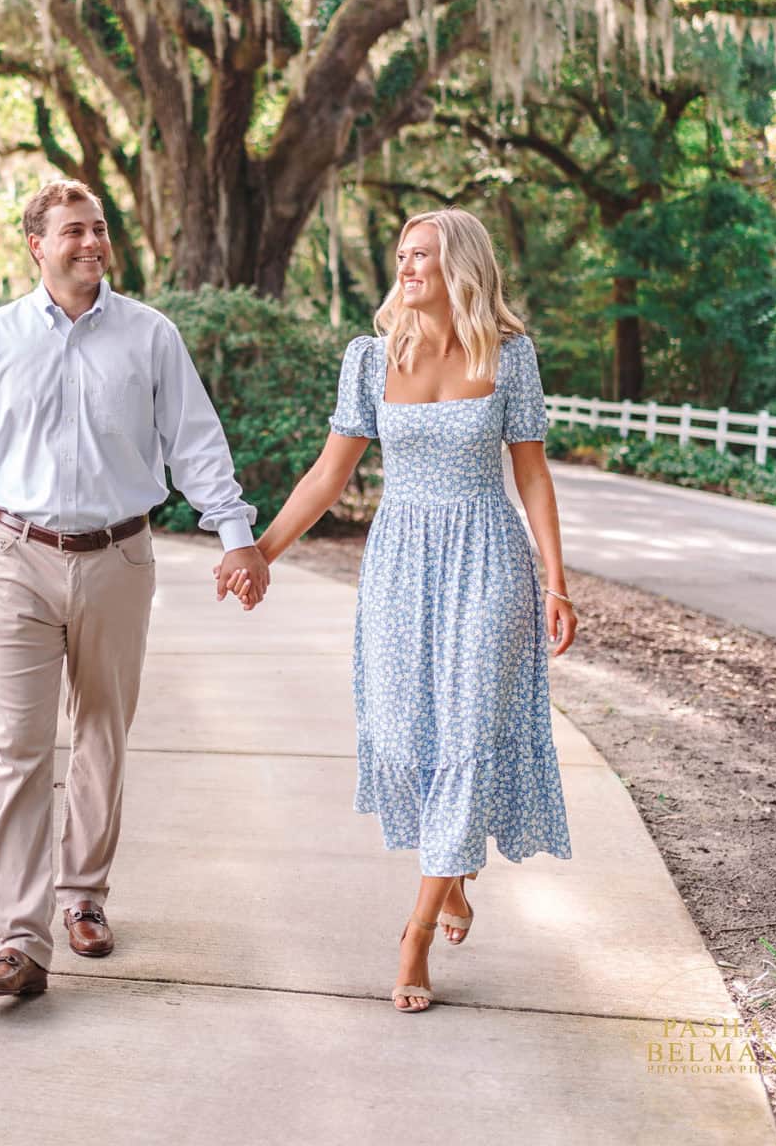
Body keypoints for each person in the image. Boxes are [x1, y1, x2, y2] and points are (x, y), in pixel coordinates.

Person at [218, 206, 576, 1012]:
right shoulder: (369, 360)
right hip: (399, 565)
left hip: (488, 560)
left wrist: (557, 582)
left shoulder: (510, 358)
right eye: (403, 255)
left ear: (463, 270)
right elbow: (325, 476)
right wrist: (261, 553)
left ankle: (414, 934)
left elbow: (533, 476)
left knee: (471, 738)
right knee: (403, 730)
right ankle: (448, 874)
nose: (407, 268)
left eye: (424, 256)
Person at [0, 178, 269, 999]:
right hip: (17, 557)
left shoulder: (149, 336)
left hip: (120, 559)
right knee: (18, 746)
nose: (91, 242)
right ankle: (18, 938)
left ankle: (83, 895)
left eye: (99, 228)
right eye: (73, 230)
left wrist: (237, 535)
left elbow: (195, 442)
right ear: (36, 245)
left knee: (102, 734)